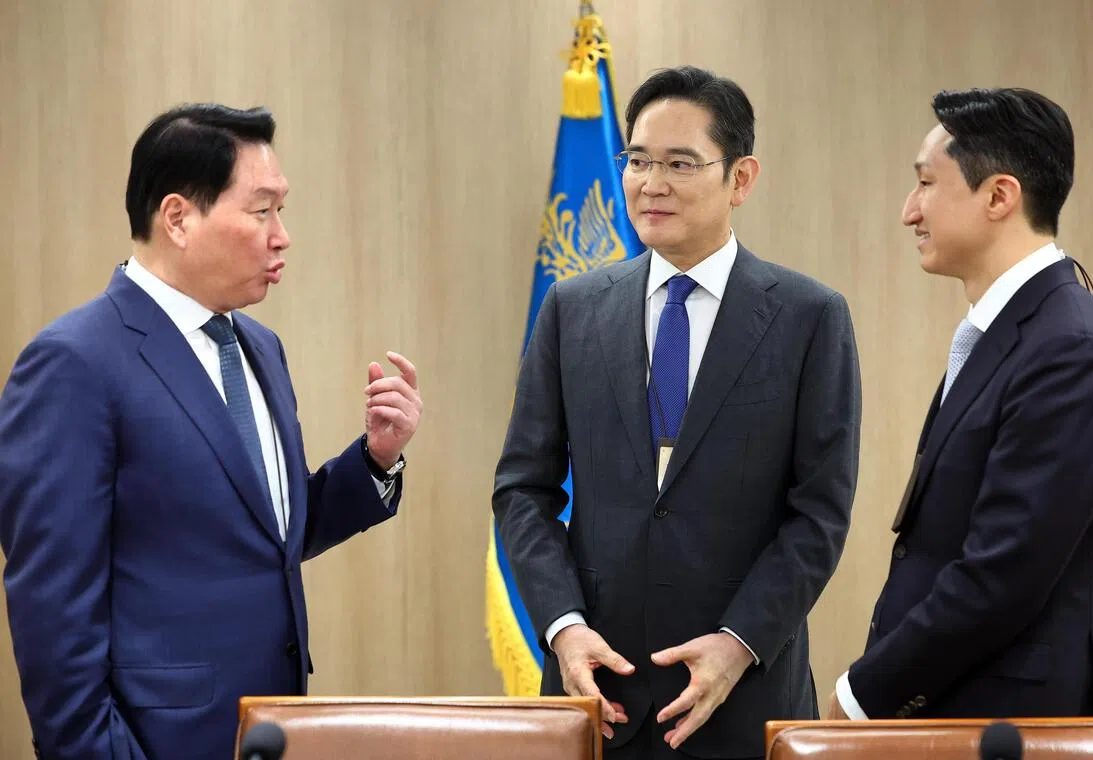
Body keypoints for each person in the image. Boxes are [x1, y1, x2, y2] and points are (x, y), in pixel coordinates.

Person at [0, 103, 422, 759]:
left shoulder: (259, 346)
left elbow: (268, 533)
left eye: (282, 210)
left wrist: (375, 459)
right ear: (177, 218)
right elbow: (53, 621)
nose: (282, 236)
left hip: (270, 731)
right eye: (261, 211)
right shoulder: (74, 363)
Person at [494, 65, 861, 759]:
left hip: (741, 696)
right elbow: (522, 491)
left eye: (679, 163)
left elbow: (819, 513)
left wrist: (738, 643)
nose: (649, 183)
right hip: (597, 695)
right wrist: (564, 627)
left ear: (741, 178)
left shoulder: (810, 317)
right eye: (636, 160)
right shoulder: (572, 310)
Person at [829, 87, 1093, 721]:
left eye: (925, 183)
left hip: (1005, 725)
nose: (908, 211)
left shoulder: (1071, 349)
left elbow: (1002, 576)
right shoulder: (1013, 330)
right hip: (950, 711)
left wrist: (860, 696)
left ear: (999, 196)